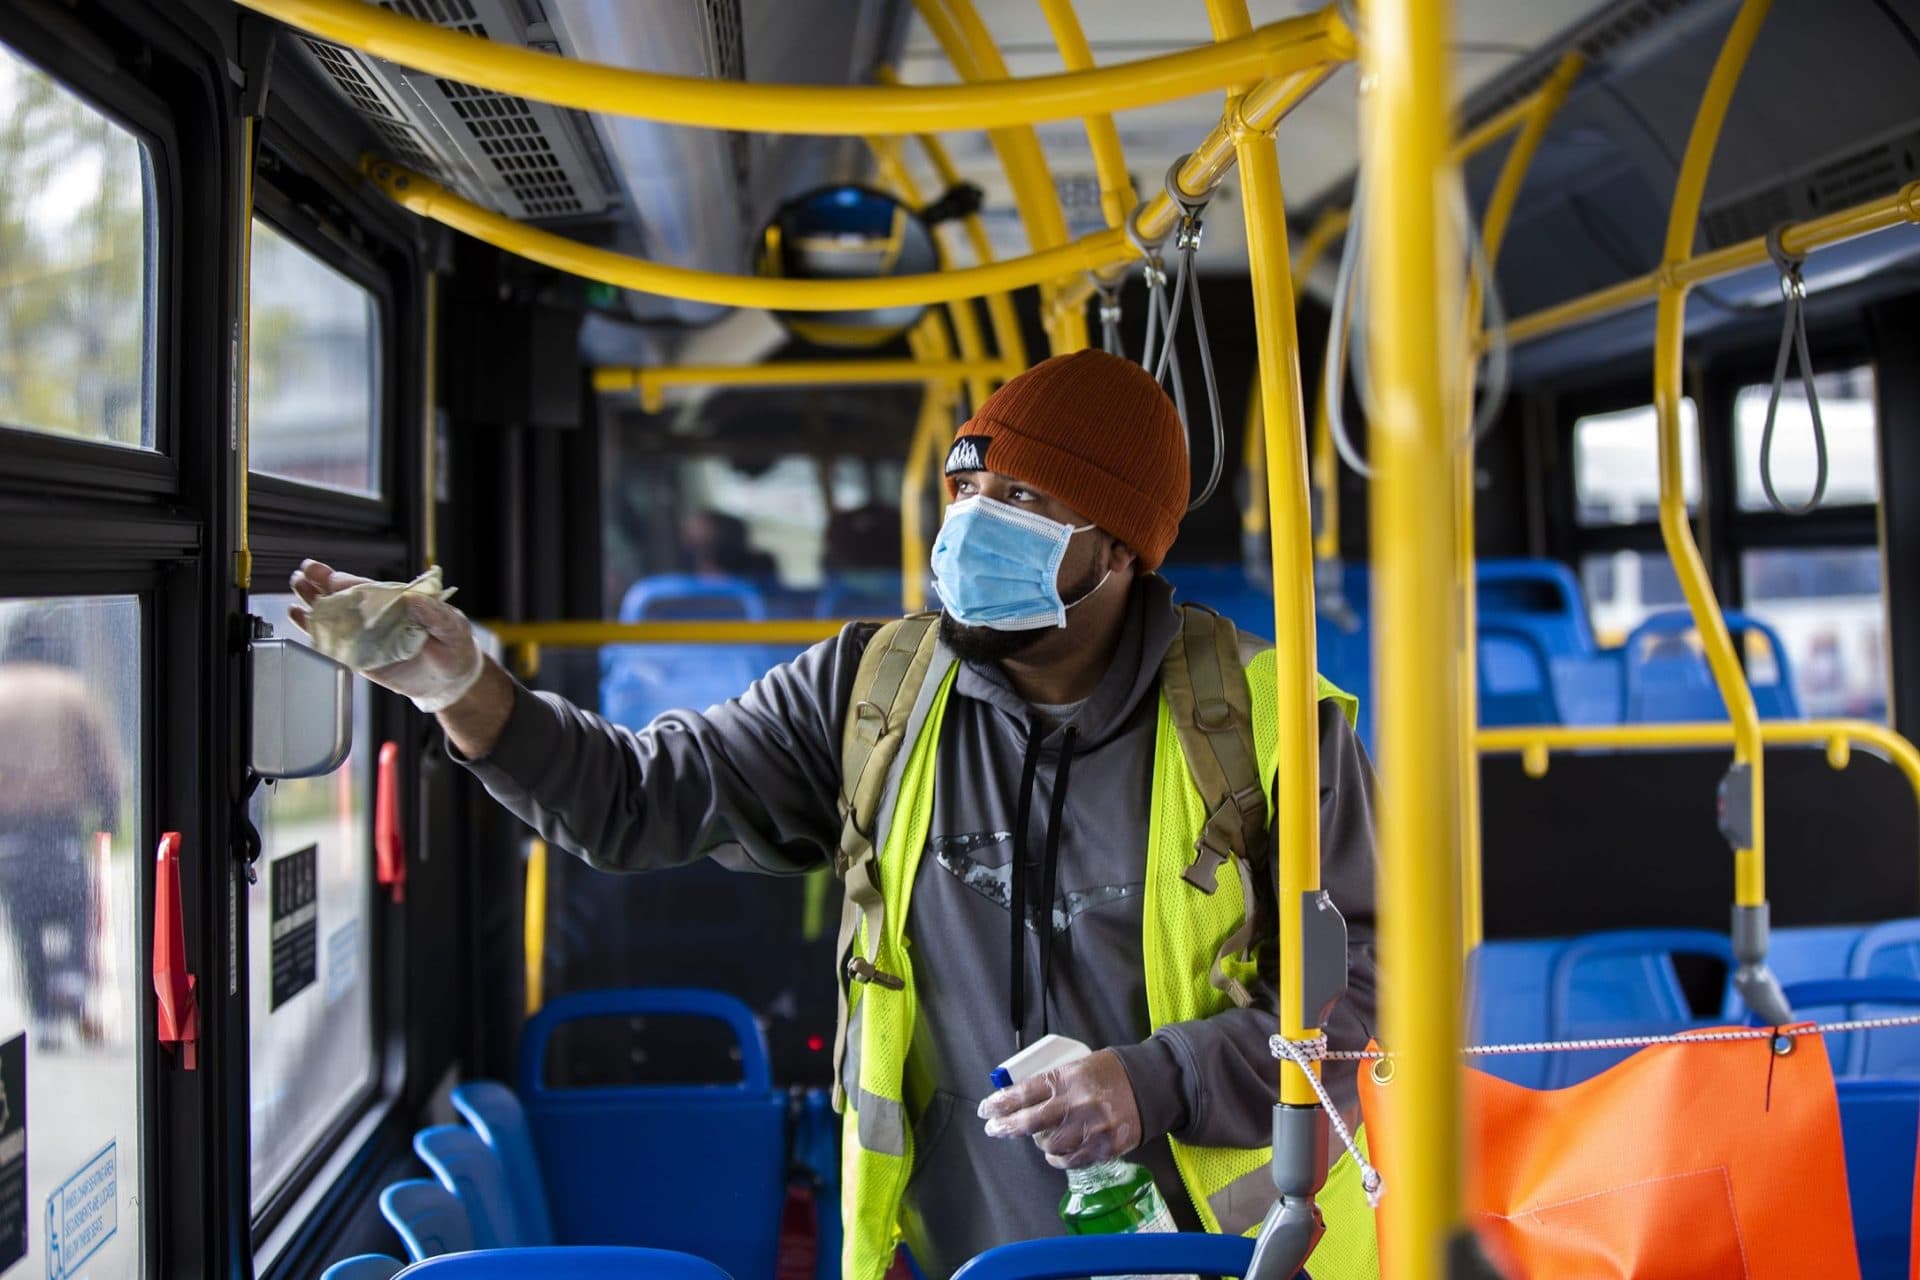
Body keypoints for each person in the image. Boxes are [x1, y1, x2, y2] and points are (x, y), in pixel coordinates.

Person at [291, 349, 1379, 1280]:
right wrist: (462, 686)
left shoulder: (1269, 727)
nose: (974, 528)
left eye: (1027, 504)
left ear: (1123, 548)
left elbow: (1370, 995)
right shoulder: (873, 694)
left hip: (1218, 1252)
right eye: (968, 492)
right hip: (959, 1249)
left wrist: (1155, 1081)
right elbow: (637, 800)